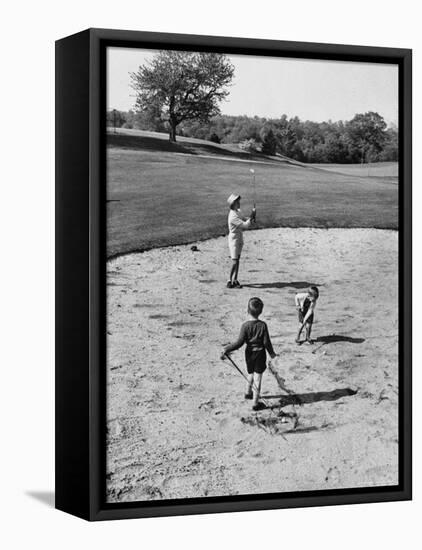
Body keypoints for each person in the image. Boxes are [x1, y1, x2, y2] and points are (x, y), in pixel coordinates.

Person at [221, 297, 277, 410]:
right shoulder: (263, 325)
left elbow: (239, 343)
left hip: (249, 353)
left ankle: (248, 393)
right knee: (258, 378)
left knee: (250, 373)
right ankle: (255, 403)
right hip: (260, 354)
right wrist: (272, 354)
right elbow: (266, 342)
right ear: (261, 311)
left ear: (247, 310)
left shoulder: (245, 326)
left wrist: (227, 348)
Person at [226, 194, 256, 288]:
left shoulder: (238, 211)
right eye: (237, 202)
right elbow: (245, 225)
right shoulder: (232, 217)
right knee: (234, 261)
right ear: (233, 204)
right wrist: (252, 215)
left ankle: (235, 280)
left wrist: (252, 216)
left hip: (239, 237)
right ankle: (229, 280)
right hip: (234, 239)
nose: (239, 203)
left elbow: (245, 219)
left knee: (238, 259)